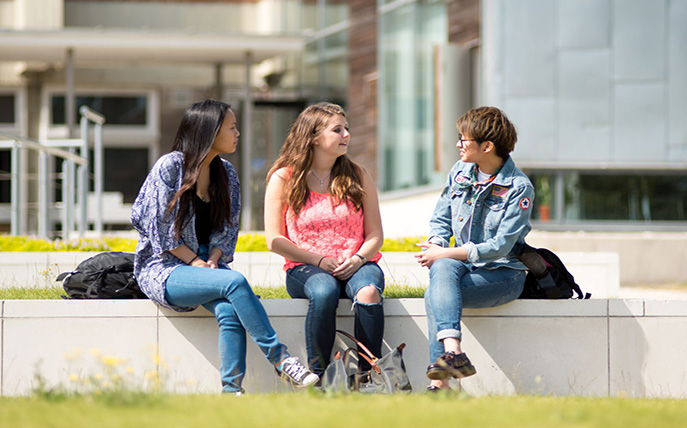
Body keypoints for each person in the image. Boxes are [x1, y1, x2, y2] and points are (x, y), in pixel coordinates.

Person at [131, 99, 318, 395]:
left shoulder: (226, 173)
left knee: (230, 312)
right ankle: (280, 359)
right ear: (210, 131)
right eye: (231, 127)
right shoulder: (170, 167)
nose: (238, 133)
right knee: (234, 281)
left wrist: (214, 258)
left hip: (209, 266)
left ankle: (232, 392)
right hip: (164, 267)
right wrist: (196, 262)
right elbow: (161, 231)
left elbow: (227, 229)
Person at [415, 106, 534, 392]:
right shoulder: (460, 171)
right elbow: (442, 218)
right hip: (463, 266)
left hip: (503, 274)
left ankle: (441, 385)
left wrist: (446, 253)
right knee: (442, 267)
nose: (457, 144)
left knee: (436, 292)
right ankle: (453, 353)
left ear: (487, 146)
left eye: (463, 139)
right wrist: (438, 243)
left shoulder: (519, 187)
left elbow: (501, 245)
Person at [264, 102, 385, 379]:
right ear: (314, 137)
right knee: (324, 291)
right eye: (338, 130)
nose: (347, 135)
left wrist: (357, 259)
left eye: (347, 129)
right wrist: (319, 260)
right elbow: (274, 239)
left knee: (368, 292)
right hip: (305, 267)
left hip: (358, 263)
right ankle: (319, 376)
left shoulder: (358, 175)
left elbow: (375, 235)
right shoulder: (284, 177)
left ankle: (368, 375)